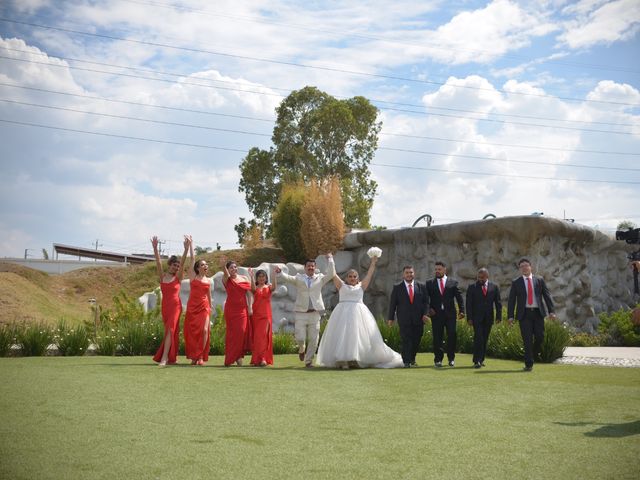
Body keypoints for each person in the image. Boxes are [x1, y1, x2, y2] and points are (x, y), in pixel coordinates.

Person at [317, 255, 403, 369]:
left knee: (357, 336)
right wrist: (330, 259)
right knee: (343, 336)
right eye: (350, 276)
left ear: (357, 278)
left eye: (354, 276)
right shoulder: (341, 285)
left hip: (359, 314)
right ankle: (343, 361)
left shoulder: (361, 286)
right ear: (347, 278)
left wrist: (373, 262)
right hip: (342, 314)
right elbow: (333, 273)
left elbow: (369, 274)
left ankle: (355, 359)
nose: (352, 278)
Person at [275, 254, 335, 368]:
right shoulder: (299, 278)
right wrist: (280, 272)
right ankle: (301, 348)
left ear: (315, 267)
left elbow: (331, 274)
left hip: (315, 313)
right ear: (305, 267)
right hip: (300, 313)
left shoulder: (320, 278)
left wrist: (330, 260)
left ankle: (308, 361)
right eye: (309, 266)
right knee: (300, 338)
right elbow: (287, 277)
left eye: (312, 266)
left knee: (314, 339)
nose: (311, 268)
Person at [507, 258, 556, 372]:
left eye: (526, 265)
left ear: (530, 267)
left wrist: (551, 311)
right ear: (520, 269)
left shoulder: (539, 280)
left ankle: (532, 354)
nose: (524, 268)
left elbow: (547, 296)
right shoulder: (516, 282)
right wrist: (510, 316)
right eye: (522, 266)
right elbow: (511, 301)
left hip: (538, 313)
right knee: (527, 340)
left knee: (540, 337)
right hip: (524, 315)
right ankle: (529, 364)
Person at [151, 235, 190, 367]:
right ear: (170, 265)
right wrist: (155, 248)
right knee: (171, 331)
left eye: (178, 266)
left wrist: (186, 249)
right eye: (174, 265)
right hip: (165, 307)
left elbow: (184, 262)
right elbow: (157, 262)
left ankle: (164, 358)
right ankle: (173, 357)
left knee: (170, 330)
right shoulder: (162, 276)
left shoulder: (178, 277)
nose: (177, 267)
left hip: (175, 306)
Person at [387, 265, 429, 368]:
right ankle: (406, 361)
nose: (409, 274)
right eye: (407, 272)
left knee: (416, 340)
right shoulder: (397, 287)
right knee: (406, 340)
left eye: (411, 272)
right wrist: (391, 318)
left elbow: (426, 302)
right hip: (404, 319)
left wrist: (425, 314)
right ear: (403, 274)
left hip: (418, 319)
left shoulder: (421, 286)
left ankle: (412, 359)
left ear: (414, 273)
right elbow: (393, 304)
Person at [425, 261, 465, 367]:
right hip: (436, 315)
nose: (437, 271)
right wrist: (429, 309)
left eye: (439, 269)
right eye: (436, 269)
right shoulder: (429, 283)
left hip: (450, 315)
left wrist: (462, 311)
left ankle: (451, 359)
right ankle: (438, 360)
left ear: (444, 270)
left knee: (452, 335)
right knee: (437, 337)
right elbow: (425, 298)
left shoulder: (453, 282)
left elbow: (459, 298)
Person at [184, 238, 212, 366]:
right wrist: (190, 245)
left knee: (205, 330)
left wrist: (210, 307)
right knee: (193, 332)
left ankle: (200, 356)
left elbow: (209, 295)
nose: (205, 266)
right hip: (192, 307)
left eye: (206, 265)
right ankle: (194, 357)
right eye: (202, 265)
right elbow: (192, 260)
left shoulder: (208, 280)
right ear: (197, 268)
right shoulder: (193, 277)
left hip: (204, 307)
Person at [466, 267, 502, 369]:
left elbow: (498, 303)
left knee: (485, 339)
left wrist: (498, 316)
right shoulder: (472, 287)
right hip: (476, 318)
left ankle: (481, 360)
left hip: (488, 318)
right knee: (479, 338)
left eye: (482, 277)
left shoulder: (494, 287)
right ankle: (476, 360)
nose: (480, 279)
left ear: (487, 276)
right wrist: (469, 318)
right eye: (479, 277)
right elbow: (469, 304)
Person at [221, 259, 252, 367]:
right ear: (228, 270)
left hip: (242, 309)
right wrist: (223, 265)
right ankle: (234, 358)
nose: (234, 269)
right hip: (231, 310)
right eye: (231, 268)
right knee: (232, 335)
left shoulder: (244, 278)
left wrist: (250, 307)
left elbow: (249, 294)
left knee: (242, 332)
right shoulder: (226, 279)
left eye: (235, 267)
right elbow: (225, 273)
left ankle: (238, 356)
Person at [249, 267, 276, 367]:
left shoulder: (269, 287)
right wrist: (251, 276)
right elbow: (252, 289)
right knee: (257, 338)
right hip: (256, 316)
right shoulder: (255, 289)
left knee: (264, 336)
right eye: (259, 276)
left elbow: (274, 287)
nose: (261, 278)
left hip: (266, 315)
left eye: (263, 276)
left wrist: (274, 275)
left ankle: (264, 358)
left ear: (266, 278)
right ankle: (257, 359)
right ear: (257, 278)